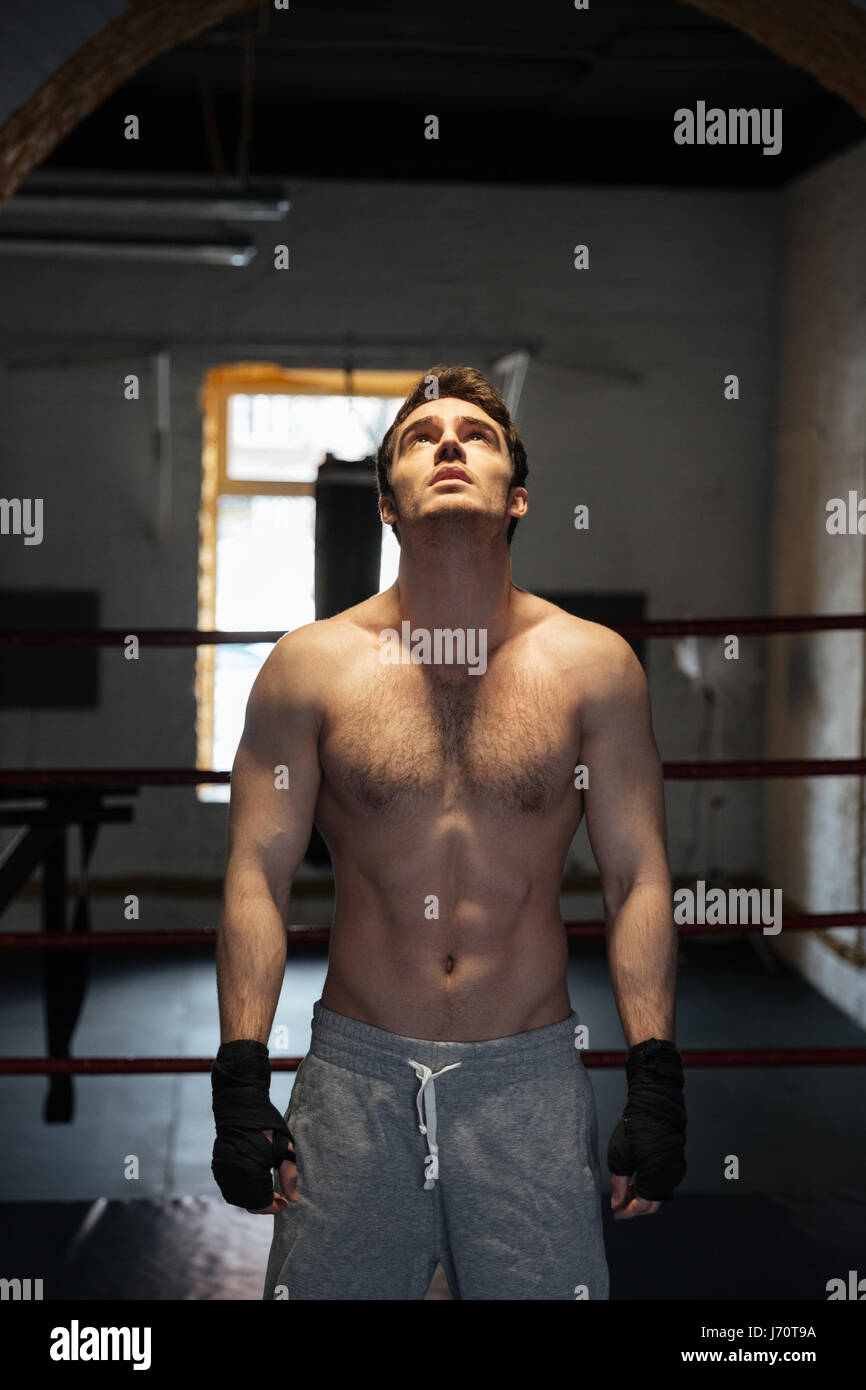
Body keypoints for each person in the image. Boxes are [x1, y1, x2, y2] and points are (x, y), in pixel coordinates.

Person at [210, 365, 686, 1301]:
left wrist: (656, 1074)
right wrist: (239, 1072)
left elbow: (638, 877)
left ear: (518, 495)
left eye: (477, 432)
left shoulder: (595, 667)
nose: (451, 444)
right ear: (387, 503)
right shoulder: (308, 669)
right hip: (357, 1077)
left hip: (528, 1080)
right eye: (422, 437)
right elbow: (256, 874)